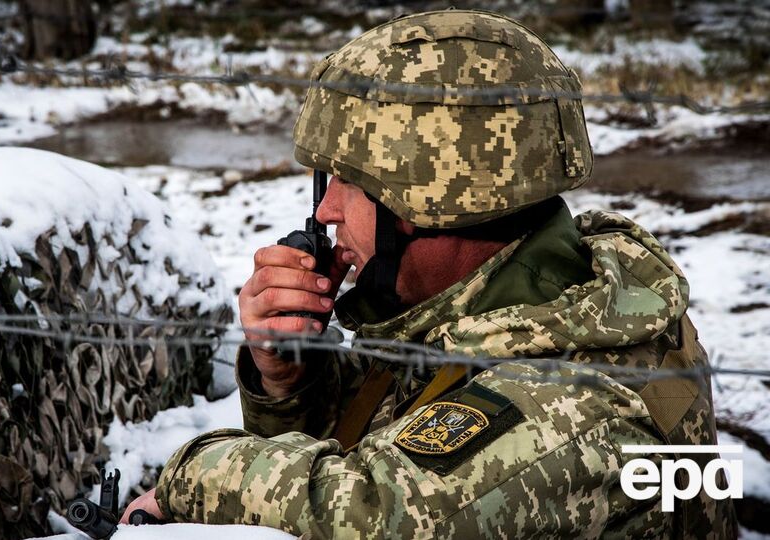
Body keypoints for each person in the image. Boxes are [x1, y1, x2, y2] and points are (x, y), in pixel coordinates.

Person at [122, 9, 736, 538]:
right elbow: (371, 440)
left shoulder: (577, 401)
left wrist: (189, 479)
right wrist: (289, 379)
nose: (326, 210)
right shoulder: (495, 305)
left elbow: (375, 513)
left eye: (350, 184)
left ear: (434, 203)